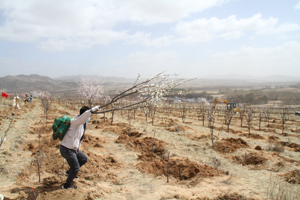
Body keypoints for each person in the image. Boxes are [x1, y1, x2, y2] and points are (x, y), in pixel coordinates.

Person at [60, 105, 100, 189]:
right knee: (75, 167)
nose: (89, 118)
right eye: (88, 115)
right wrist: (91, 111)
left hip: (73, 148)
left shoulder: (80, 122)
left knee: (83, 159)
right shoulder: (77, 121)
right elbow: (84, 116)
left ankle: (70, 173)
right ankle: (67, 185)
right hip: (67, 148)